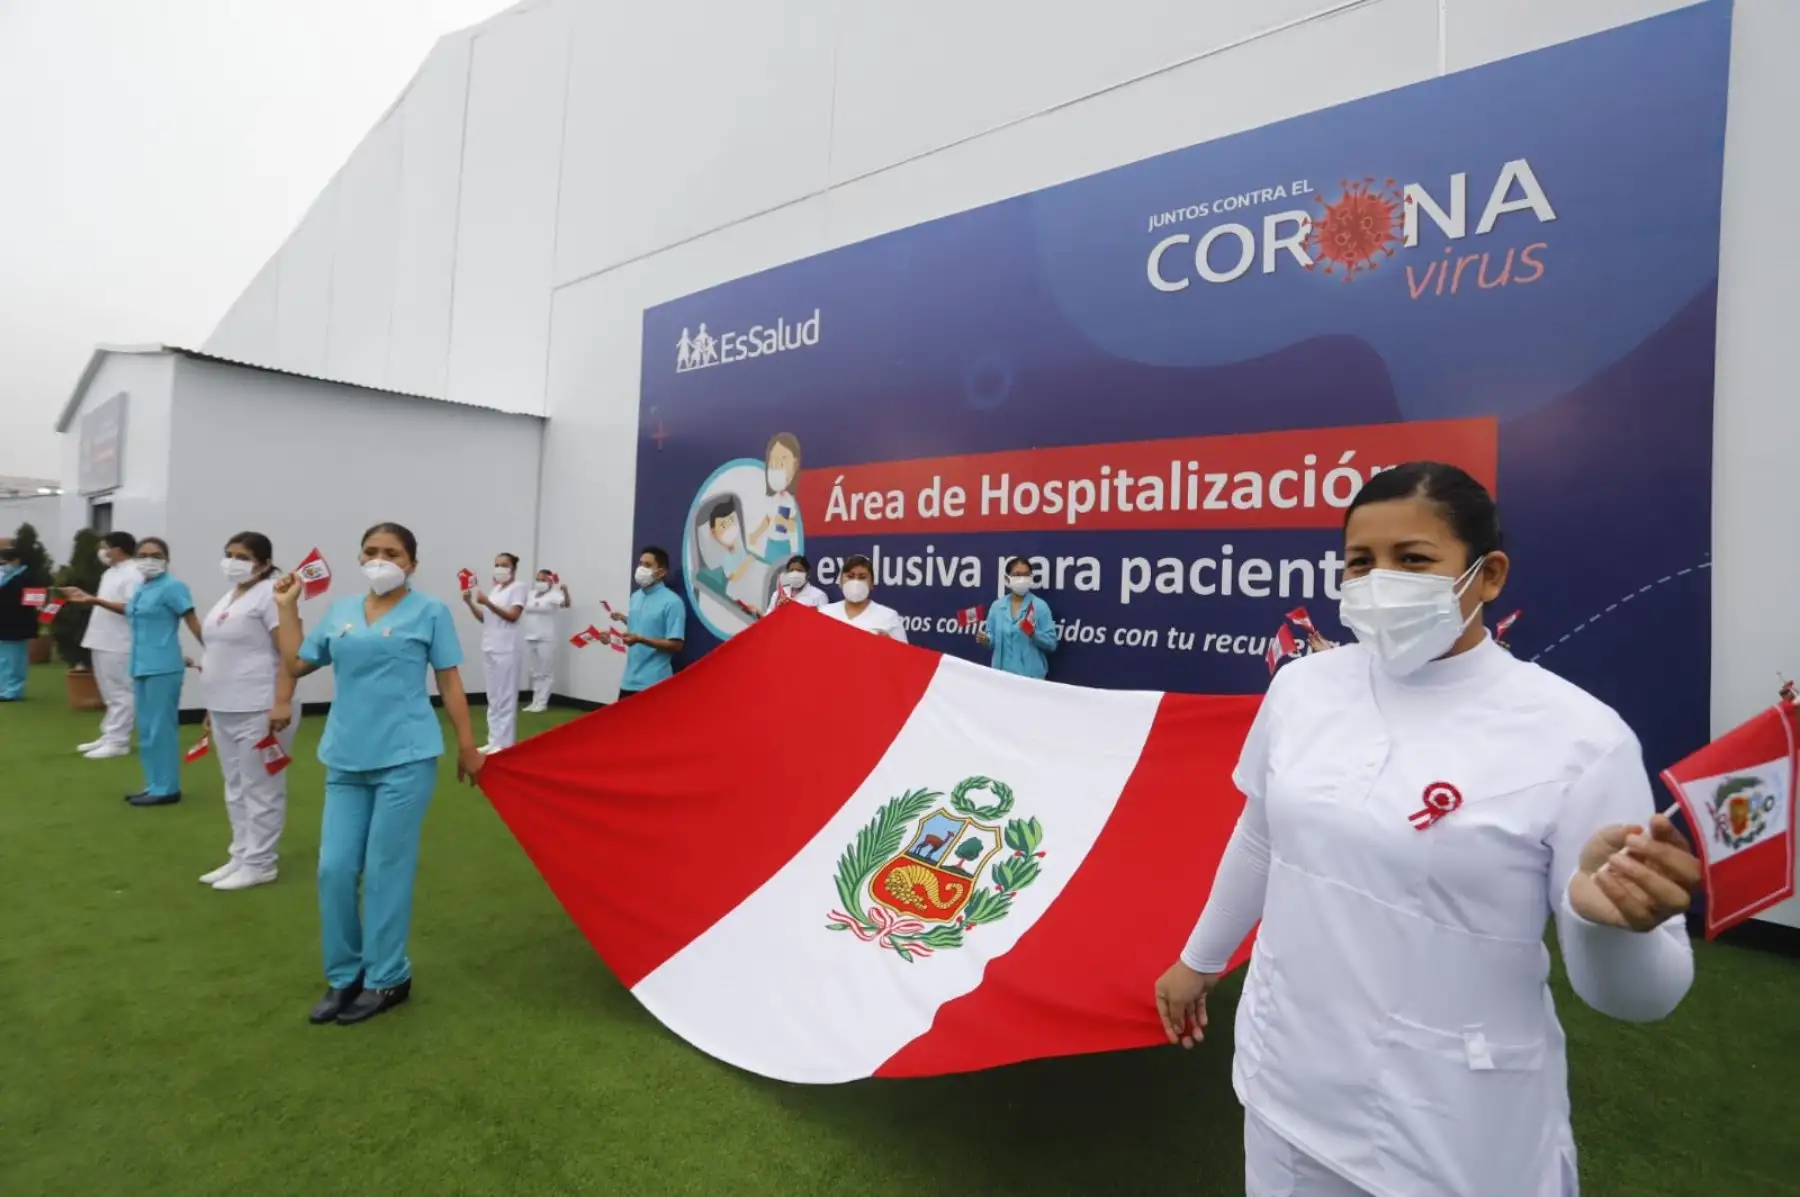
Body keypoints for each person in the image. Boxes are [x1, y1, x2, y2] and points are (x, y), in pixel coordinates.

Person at [1154, 462, 1700, 1197]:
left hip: (1456, 1129)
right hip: (1285, 1087)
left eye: (1413, 559)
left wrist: (1608, 924)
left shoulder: (1578, 739)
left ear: (1489, 574)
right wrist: (1201, 958)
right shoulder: (1303, 688)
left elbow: (1638, 998)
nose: (1381, 581)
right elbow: (1262, 835)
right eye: (1360, 562)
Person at [274, 522, 483, 1026]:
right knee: (335, 868)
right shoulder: (341, 611)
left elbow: (450, 680)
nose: (380, 559)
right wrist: (287, 609)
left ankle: (388, 977)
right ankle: (344, 976)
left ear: (411, 562)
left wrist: (467, 742)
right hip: (346, 757)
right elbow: (298, 663)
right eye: (371, 551)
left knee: (387, 870)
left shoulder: (430, 611)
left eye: (392, 552)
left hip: (405, 757)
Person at [198, 532, 296, 889]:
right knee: (235, 785)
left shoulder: (271, 596)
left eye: (242, 556)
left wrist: (282, 700)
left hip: (260, 706)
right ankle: (240, 854)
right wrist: (211, 705)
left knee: (261, 787)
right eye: (228, 554)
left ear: (265, 563)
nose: (233, 562)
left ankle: (261, 862)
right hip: (224, 705)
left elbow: (288, 652)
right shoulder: (230, 596)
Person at [105, 538, 201, 806]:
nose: (149, 559)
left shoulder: (173, 587)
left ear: (167, 559)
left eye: (155, 555)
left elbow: (192, 621)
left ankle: (167, 787)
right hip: (140, 665)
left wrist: (215, 653)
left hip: (163, 666)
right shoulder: (141, 588)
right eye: (143, 554)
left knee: (161, 729)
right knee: (146, 729)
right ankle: (153, 783)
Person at [72, 531, 143, 758]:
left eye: (105, 547)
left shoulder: (134, 574)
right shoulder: (110, 573)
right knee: (109, 693)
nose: (102, 552)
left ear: (118, 549)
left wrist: (94, 600)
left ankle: (119, 741)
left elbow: (130, 607)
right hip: (101, 638)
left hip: (120, 641)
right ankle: (109, 735)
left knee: (122, 692)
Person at [462, 552, 528, 753]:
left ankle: (505, 743)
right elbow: (486, 618)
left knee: (506, 696)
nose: (499, 568)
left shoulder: (519, 588)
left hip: (507, 648)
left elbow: (513, 616)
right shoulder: (496, 589)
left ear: (513, 569)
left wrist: (488, 602)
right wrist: (470, 603)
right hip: (490, 646)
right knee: (493, 697)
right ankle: (494, 740)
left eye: (504, 565)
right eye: (496, 564)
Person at [613, 546, 686, 698]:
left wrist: (641, 639)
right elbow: (641, 626)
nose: (641, 569)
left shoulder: (673, 602)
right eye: (640, 564)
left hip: (655, 684)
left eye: (647, 565)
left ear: (661, 572)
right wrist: (611, 637)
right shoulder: (635, 597)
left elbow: (676, 644)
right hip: (628, 682)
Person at [977, 557, 1058, 679]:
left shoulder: (1040, 606)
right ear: (1007, 578)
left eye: (1026, 575)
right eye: (1017, 575)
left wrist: (1033, 634)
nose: (1022, 579)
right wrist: (986, 640)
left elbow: (1052, 644)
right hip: (1000, 677)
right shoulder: (997, 607)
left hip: (1030, 679)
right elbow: (992, 640)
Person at [0, 543, 47, 701]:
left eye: (6, 562)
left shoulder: (29, 577)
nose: (3, 565)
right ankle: (3, 687)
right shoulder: (3, 576)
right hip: (3, 623)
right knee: (3, 659)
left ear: (16, 560)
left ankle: (13, 691)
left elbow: (34, 602)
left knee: (14, 660)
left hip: (18, 624)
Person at [821, 555, 907, 641]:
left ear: (872, 583)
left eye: (862, 577)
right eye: (850, 576)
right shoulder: (824, 613)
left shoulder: (889, 617)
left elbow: (904, 653)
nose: (856, 581)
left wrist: (890, 645)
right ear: (840, 582)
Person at [521, 568, 571, 713]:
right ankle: (535, 701)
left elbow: (566, 604)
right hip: (530, 636)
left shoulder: (554, 595)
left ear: (550, 581)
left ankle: (542, 702)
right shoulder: (530, 594)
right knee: (535, 671)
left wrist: (566, 591)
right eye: (538, 579)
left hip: (546, 638)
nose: (540, 582)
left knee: (546, 671)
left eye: (543, 580)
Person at [750, 432, 803, 564]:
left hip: (784, 544)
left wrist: (784, 523)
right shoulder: (770, 500)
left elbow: (792, 524)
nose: (777, 467)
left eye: (783, 460)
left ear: (795, 464)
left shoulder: (790, 501)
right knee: (770, 572)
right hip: (771, 543)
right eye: (773, 462)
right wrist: (755, 534)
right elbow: (766, 521)